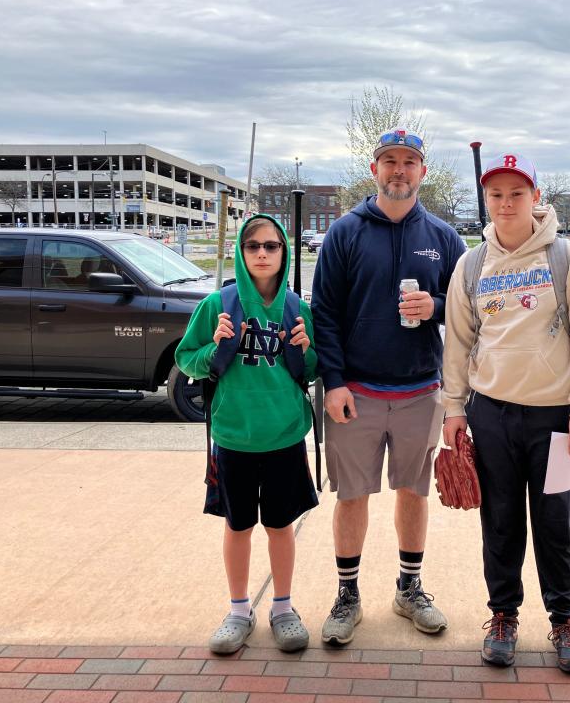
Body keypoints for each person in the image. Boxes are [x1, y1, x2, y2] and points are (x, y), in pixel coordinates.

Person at [441, 153, 570, 672]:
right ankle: (503, 616)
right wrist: (453, 410)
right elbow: (458, 345)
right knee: (502, 521)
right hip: (491, 413)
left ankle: (564, 619)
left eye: (517, 193)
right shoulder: (471, 265)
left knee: (558, 522)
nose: (506, 203)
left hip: (556, 417)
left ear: (535, 198)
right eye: (496, 194)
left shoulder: (564, 258)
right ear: (485, 200)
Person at [311, 128, 467, 645]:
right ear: (373, 169)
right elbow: (325, 315)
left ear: (423, 171)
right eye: (389, 161)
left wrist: (436, 308)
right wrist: (332, 382)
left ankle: (409, 587)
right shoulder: (345, 233)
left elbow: (469, 311)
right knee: (352, 495)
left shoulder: (444, 238)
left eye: (409, 162)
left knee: (413, 491)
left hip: (421, 389)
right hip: (357, 392)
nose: (399, 170)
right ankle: (348, 594)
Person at [174, 214, 318, 655]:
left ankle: (283, 608)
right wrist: (213, 347)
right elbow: (186, 360)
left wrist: (306, 351)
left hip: (285, 436)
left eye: (271, 246)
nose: (261, 253)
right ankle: (239, 610)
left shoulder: (297, 308)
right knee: (238, 527)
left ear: (284, 252)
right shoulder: (217, 304)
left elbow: (310, 373)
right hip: (234, 437)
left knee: (280, 525)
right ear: (240, 249)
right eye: (252, 245)